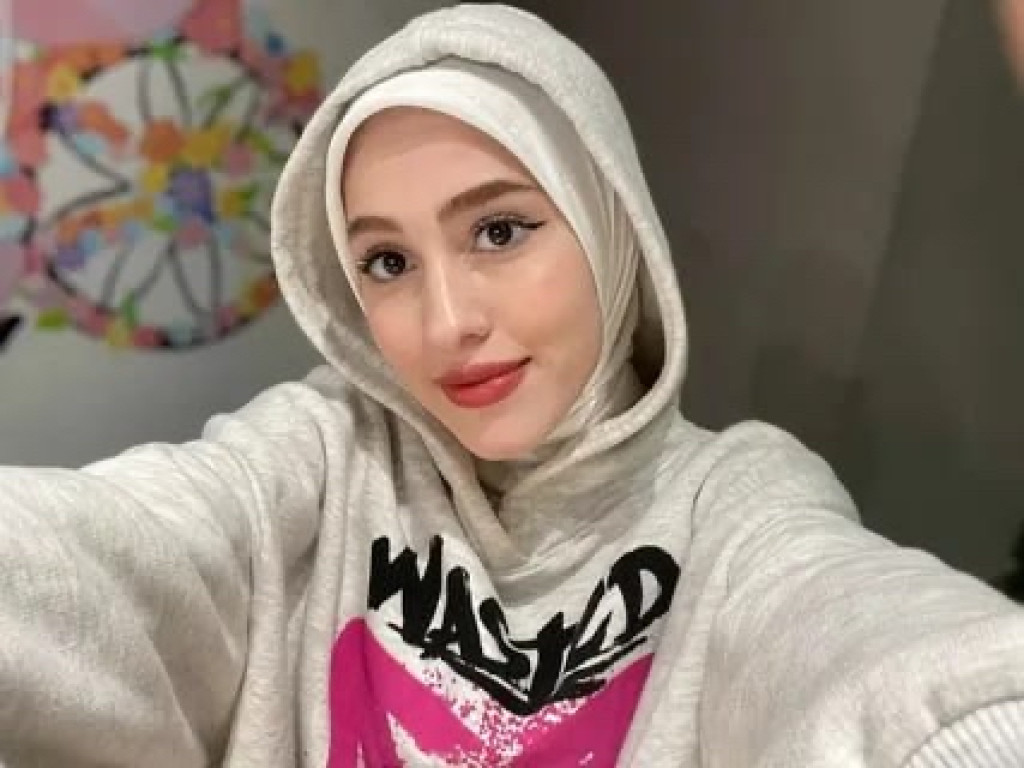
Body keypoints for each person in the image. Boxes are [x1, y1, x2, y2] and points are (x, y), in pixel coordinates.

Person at [2, 4, 1023, 766]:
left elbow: (868, 647)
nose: (446, 323)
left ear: (610, 224)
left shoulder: (738, 506)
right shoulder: (321, 452)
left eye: (499, 230)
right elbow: (108, 553)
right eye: (387, 263)